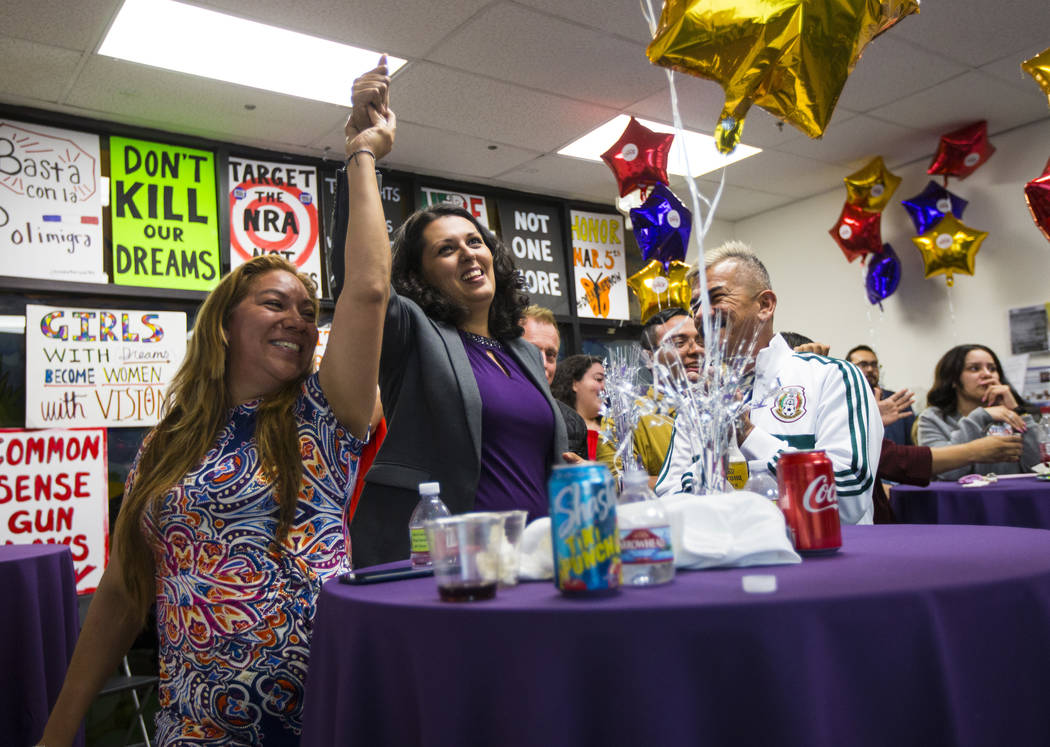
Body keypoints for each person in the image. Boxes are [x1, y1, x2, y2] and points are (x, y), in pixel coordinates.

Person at [38, 59, 396, 746]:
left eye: (307, 308)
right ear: (226, 322)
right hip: (193, 730)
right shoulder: (167, 440)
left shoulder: (325, 415)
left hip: (322, 721)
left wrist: (360, 154)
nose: (298, 317)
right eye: (274, 303)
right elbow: (121, 590)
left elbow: (370, 290)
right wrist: (57, 731)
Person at [349, 164, 569, 571]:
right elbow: (365, 280)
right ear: (419, 275)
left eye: (474, 241)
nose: (468, 252)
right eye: (446, 249)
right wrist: (361, 159)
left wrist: (564, 470)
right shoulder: (412, 334)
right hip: (450, 569)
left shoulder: (524, 353)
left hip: (538, 563)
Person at [655, 241, 882, 524]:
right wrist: (716, 466)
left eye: (716, 297)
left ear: (765, 305)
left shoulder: (832, 377)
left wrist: (748, 435)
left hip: (820, 563)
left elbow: (850, 496)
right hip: (726, 561)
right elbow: (667, 498)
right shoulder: (700, 399)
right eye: (695, 305)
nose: (699, 314)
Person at [596, 308, 701, 482]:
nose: (696, 350)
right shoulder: (625, 416)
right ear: (649, 357)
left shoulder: (724, 407)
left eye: (700, 341)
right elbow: (618, 485)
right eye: (679, 343)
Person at [916, 343, 1040, 479]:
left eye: (992, 369)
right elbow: (948, 474)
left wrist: (1017, 411)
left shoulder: (1013, 414)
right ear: (953, 380)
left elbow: (1036, 469)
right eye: (974, 368)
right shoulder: (933, 418)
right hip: (961, 499)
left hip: (1012, 497)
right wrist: (980, 416)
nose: (987, 375)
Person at [520, 305, 587, 459]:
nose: (543, 362)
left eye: (550, 354)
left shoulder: (574, 424)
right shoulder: (488, 412)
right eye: (532, 351)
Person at [846, 344, 916, 445]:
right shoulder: (842, 401)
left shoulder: (897, 402)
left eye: (874, 365)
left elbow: (912, 446)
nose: (870, 369)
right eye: (863, 364)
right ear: (849, 368)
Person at [551, 354, 605, 459]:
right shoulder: (558, 426)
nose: (604, 387)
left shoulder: (613, 429)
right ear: (574, 383)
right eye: (598, 379)